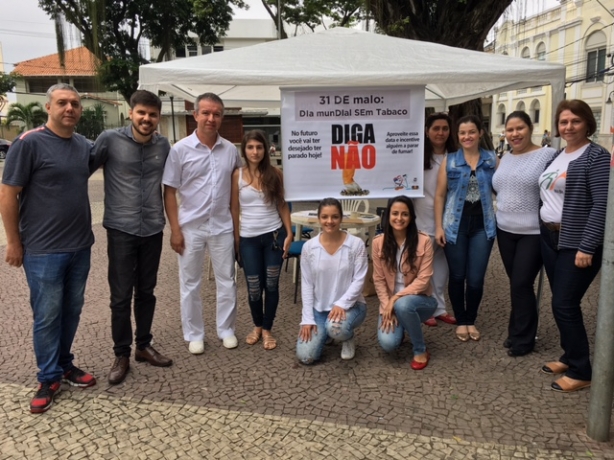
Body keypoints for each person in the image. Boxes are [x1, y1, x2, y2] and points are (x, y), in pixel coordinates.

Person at [0, 84, 96, 413]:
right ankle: (48, 376)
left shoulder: (84, 146)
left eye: (75, 103)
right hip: (42, 251)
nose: (69, 108)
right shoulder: (29, 143)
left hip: (80, 246)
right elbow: (8, 194)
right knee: (47, 315)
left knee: (71, 311)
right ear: (48, 107)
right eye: (62, 103)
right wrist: (14, 241)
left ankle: (65, 366)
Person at [91, 90, 173, 385]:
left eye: (152, 114)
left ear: (158, 117)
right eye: (142, 113)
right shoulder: (109, 140)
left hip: (153, 228)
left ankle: (144, 346)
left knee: (147, 291)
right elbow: (80, 172)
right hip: (121, 229)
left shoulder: (164, 146)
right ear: (130, 112)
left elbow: (174, 185)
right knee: (121, 295)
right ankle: (121, 353)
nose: (146, 119)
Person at [538, 99, 610, 393]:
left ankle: (582, 369)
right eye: (564, 122)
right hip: (550, 237)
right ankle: (569, 356)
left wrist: (588, 246)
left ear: (587, 124)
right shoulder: (555, 156)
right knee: (561, 300)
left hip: (577, 242)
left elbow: (602, 205)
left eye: (575, 121)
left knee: (565, 304)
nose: (568, 127)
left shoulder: (597, 157)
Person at [163, 93, 241, 355]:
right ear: (195, 115)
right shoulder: (180, 150)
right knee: (190, 283)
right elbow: (169, 191)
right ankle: (195, 333)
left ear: (222, 117)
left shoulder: (230, 150)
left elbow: (236, 191)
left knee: (227, 280)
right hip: (190, 227)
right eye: (206, 113)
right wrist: (175, 230)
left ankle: (226, 329)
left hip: (221, 226)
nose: (211, 118)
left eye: (216, 114)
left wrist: (238, 229)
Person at [492, 111, 557, 357]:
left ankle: (524, 339)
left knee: (521, 282)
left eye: (520, 128)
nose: (515, 134)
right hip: (505, 229)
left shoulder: (547, 155)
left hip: (532, 231)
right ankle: (516, 330)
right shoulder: (505, 157)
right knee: (517, 284)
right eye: (510, 130)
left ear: (530, 128)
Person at [434, 115, 497, 342]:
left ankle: (471, 319)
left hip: (483, 226)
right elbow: (440, 195)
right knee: (458, 276)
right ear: (457, 136)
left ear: (480, 133)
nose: (467, 137)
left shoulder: (492, 159)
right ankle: (462, 320)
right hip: (454, 226)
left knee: (476, 278)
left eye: (471, 132)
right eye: (462, 133)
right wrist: (439, 227)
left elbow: (503, 189)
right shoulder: (449, 161)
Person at [230, 130, 293, 350]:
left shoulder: (276, 173)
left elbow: (283, 205)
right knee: (254, 287)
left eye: (259, 147)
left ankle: (267, 328)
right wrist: (236, 240)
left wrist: (290, 233)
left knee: (272, 284)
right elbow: (234, 209)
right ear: (244, 150)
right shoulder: (237, 175)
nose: (255, 152)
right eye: (250, 147)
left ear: (265, 149)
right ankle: (257, 325)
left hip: (274, 237)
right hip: (248, 239)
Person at [296, 198, 368, 364]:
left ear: (341, 218)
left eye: (335, 217)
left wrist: (341, 303)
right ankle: (326, 333)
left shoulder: (356, 244)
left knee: (337, 328)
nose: (330, 221)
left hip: (351, 306)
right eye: (325, 217)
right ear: (319, 219)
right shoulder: (309, 247)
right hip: (320, 309)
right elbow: (307, 284)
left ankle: (346, 336)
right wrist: (307, 318)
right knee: (306, 357)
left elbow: (359, 279)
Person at [374, 196, 437, 370]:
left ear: (411, 217)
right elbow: (378, 280)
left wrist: (395, 300)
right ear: (388, 216)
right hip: (391, 304)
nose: (399, 218)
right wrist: (388, 304)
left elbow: (424, 280)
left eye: (404, 214)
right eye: (395, 213)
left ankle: (420, 350)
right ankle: (403, 324)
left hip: (420, 300)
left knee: (403, 305)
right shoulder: (378, 243)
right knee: (388, 344)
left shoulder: (424, 241)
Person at [414, 113, 457, 328]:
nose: (440, 132)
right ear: (426, 131)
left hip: (449, 222)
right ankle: (424, 308)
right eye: (436, 128)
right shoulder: (417, 157)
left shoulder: (456, 156)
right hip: (423, 219)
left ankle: (440, 308)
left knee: (442, 269)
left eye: (445, 128)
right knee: (423, 268)